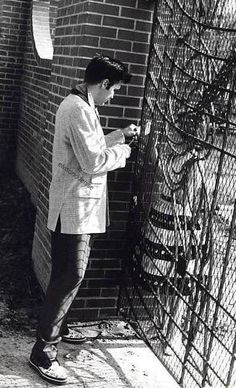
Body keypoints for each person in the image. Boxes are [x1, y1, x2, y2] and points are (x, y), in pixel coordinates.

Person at [29, 55, 139, 384]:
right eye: (114, 89)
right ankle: (43, 352)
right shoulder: (78, 108)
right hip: (73, 208)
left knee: (65, 274)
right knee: (71, 275)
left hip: (77, 208)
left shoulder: (81, 103)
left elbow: (87, 147)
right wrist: (124, 152)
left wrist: (118, 135)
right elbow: (92, 162)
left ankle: (57, 330)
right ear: (104, 83)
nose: (114, 96)